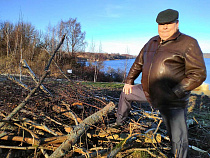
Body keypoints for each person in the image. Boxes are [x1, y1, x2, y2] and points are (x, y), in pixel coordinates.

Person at [115, 9, 206, 158]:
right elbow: (138, 62)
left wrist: (176, 92)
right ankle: (120, 123)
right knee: (126, 94)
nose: (164, 27)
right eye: (161, 24)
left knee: (177, 136)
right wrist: (129, 81)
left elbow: (199, 73)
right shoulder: (152, 42)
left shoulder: (188, 43)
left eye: (168, 23)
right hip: (148, 91)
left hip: (172, 99)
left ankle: (177, 155)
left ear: (177, 24)